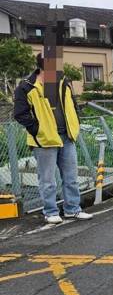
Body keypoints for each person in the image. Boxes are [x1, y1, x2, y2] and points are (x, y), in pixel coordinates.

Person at [13, 55, 93, 224]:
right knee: (47, 180)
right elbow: (20, 113)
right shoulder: (26, 86)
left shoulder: (64, 82)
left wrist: (75, 123)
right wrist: (37, 130)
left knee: (71, 177)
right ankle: (50, 212)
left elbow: (73, 105)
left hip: (66, 136)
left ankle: (73, 209)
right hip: (44, 139)